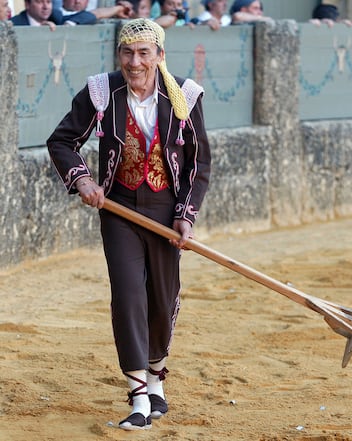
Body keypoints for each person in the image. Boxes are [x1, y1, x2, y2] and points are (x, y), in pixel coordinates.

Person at [47, 18, 211, 430]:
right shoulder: (102, 91)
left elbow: (198, 162)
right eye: (126, 52)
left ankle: (156, 379)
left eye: (143, 53)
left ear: (159, 56)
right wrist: (82, 179)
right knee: (128, 295)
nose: (134, 62)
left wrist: (186, 215)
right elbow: (62, 140)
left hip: (164, 210)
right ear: (118, 54)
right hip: (118, 208)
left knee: (162, 296)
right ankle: (139, 393)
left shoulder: (184, 97)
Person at [59, 0, 134, 24]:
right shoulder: (56, 15)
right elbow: (95, 14)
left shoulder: (88, 13)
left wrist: (119, 10)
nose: (77, 1)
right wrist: (117, 9)